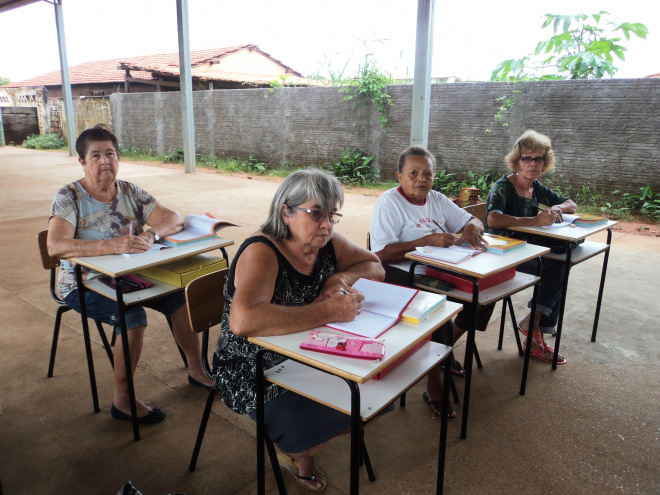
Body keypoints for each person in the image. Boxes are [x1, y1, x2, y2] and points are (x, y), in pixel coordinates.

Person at [211, 168, 385, 492]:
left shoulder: (327, 243)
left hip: (308, 352)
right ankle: (300, 456)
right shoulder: (263, 251)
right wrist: (328, 312)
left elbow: (375, 265)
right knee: (313, 430)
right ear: (285, 213)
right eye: (316, 213)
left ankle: (303, 452)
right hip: (253, 367)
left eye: (332, 215)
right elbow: (243, 321)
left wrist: (339, 279)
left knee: (375, 398)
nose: (327, 225)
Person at [47, 124, 214, 425]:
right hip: (83, 282)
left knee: (181, 299)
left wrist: (152, 236)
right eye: (95, 155)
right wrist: (110, 244)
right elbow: (55, 245)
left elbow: (172, 218)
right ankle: (122, 399)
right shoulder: (69, 196)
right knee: (132, 316)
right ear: (82, 162)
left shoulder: (129, 191)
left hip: (132, 274)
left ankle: (197, 369)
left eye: (110, 153)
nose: (104, 161)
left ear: (118, 158)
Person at [369, 146, 494, 417]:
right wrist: (424, 242)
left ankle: (444, 350)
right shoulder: (389, 203)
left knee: (483, 295)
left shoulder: (436, 199)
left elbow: (473, 220)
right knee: (437, 310)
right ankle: (434, 377)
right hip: (402, 272)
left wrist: (472, 225)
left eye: (427, 173)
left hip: (439, 269)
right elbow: (380, 255)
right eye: (413, 173)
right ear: (400, 176)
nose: (420, 179)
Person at [485, 129, 577, 364]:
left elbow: (572, 204)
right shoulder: (503, 187)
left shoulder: (535, 187)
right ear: (517, 161)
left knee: (563, 259)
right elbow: (493, 220)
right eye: (527, 158)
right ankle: (534, 327)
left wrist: (558, 208)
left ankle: (535, 328)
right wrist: (534, 221)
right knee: (556, 266)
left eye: (539, 158)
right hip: (501, 252)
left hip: (525, 247)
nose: (533, 163)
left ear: (545, 163)